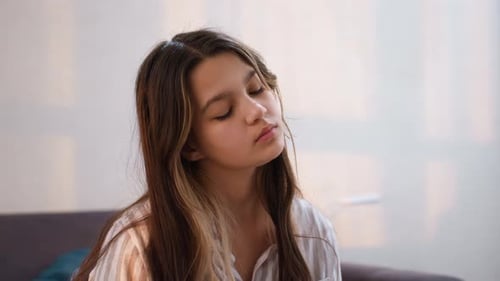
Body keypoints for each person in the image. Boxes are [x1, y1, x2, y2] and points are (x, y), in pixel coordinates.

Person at [73, 29, 341, 281]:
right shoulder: (141, 245)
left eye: (256, 89)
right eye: (224, 111)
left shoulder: (312, 231)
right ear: (189, 145)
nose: (257, 110)